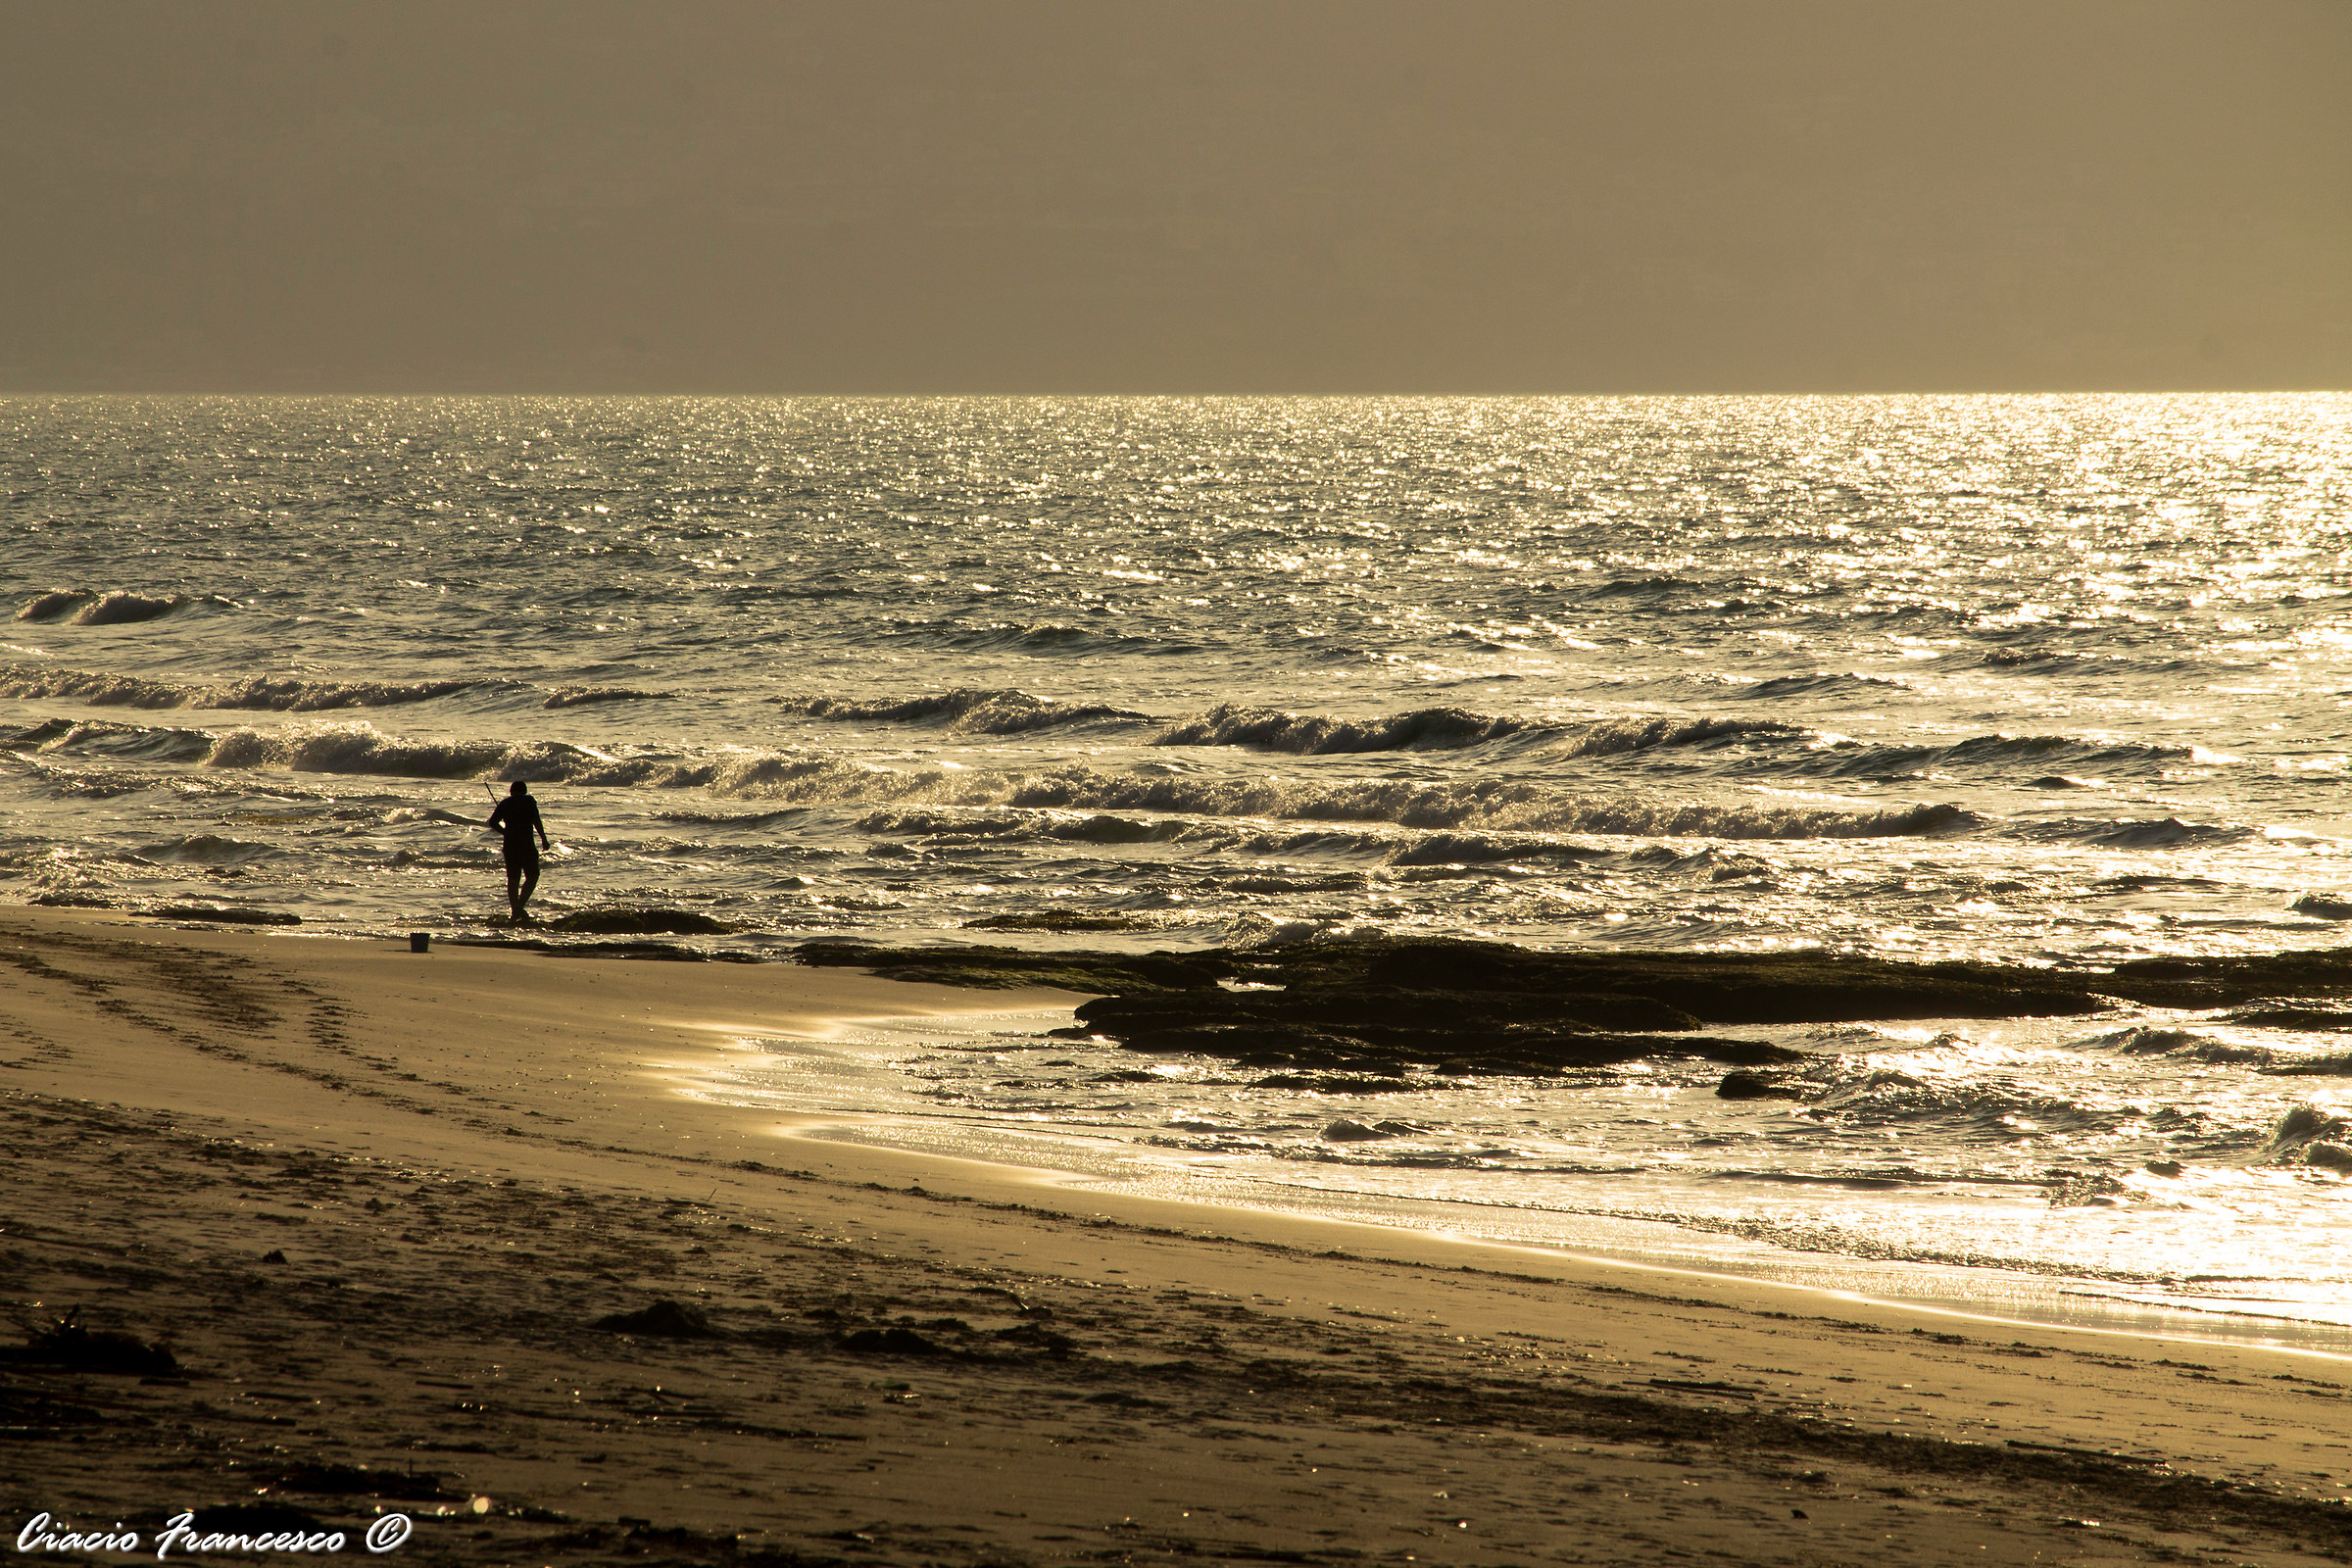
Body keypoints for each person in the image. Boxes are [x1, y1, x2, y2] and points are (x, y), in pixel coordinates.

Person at [487, 780, 552, 922]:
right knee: (533, 875)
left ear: (511, 791)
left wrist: (505, 833)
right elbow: (536, 820)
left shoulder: (505, 803)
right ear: (525, 791)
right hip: (527, 844)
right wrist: (544, 839)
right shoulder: (529, 801)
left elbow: (492, 822)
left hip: (510, 845)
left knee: (513, 878)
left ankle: (515, 910)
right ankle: (519, 907)